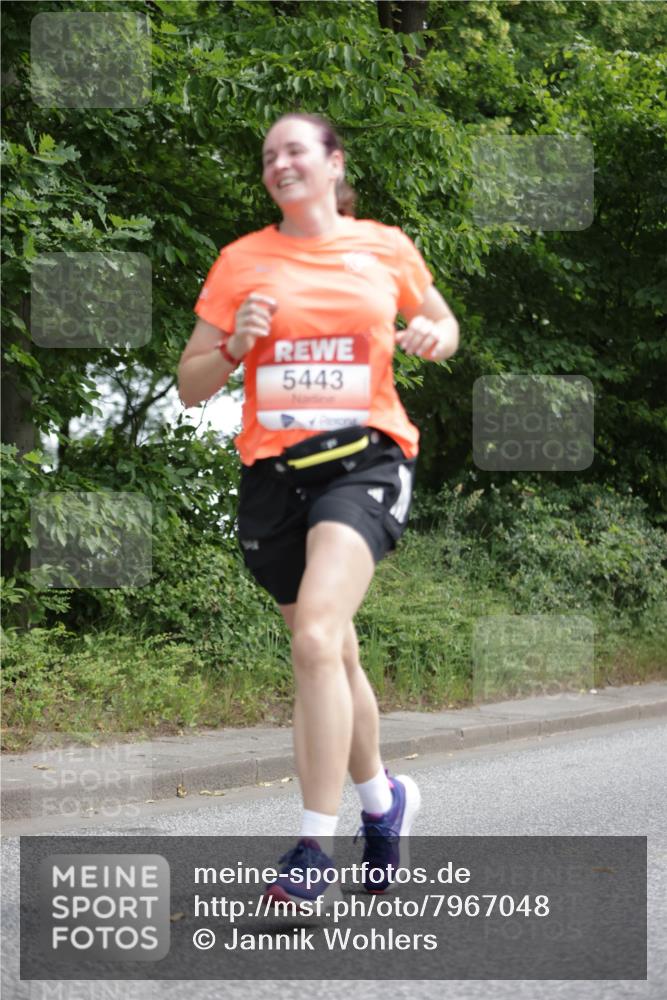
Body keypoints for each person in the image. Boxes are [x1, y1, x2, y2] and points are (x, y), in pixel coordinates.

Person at [178, 111, 459, 910]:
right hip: (275, 478)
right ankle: (383, 805)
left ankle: (312, 847)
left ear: (334, 163)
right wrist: (234, 346)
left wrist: (433, 335)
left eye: (294, 149)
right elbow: (189, 381)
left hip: (365, 460)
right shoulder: (241, 261)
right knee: (331, 654)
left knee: (314, 636)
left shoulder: (384, 246)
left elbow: (441, 319)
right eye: (267, 155)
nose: (278, 163)